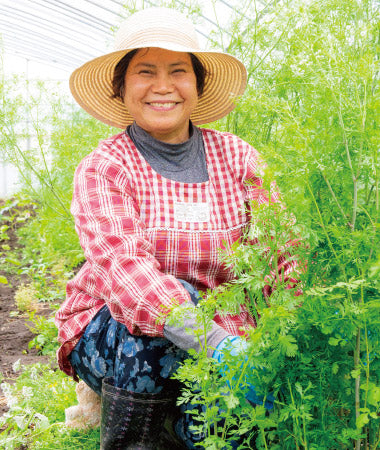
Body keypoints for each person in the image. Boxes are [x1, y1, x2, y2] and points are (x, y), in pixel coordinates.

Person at [55, 7, 299, 450]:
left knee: (225, 436)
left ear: (198, 84)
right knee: (159, 319)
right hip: (116, 325)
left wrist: (281, 337)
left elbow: (281, 252)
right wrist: (216, 344)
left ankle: (180, 423)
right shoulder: (105, 167)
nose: (163, 86)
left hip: (224, 329)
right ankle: (134, 438)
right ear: (122, 87)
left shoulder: (238, 157)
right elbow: (125, 270)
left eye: (178, 71)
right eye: (145, 71)